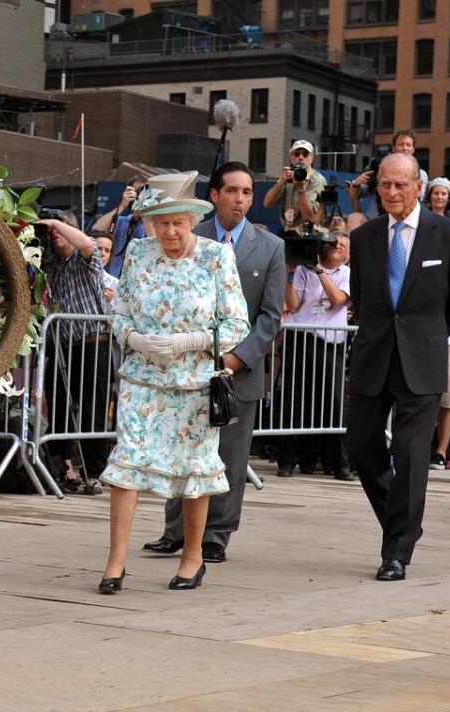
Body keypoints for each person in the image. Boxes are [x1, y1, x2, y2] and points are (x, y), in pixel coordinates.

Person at [98, 171, 250, 593]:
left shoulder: (216, 257)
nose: (169, 231)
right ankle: (115, 564)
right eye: (161, 222)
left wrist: (189, 341)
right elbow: (120, 314)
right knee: (126, 467)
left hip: (195, 384)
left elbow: (237, 324)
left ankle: (193, 557)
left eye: (178, 222)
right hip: (141, 380)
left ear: (192, 219)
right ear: (149, 222)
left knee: (193, 471)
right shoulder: (138, 254)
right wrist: (137, 339)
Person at [144, 162, 286, 563]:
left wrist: (237, 358)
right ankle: (175, 531)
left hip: (239, 370)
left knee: (230, 456)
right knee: (181, 449)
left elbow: (270, 316)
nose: (239, 199)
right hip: (189, 366)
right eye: (231, 191)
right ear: (215, 196)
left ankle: (216, 535)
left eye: (246, 193)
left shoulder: (270, 246)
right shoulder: (191, 236)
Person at [347, 153, 450, 582]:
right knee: (362, 446)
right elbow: (362, 299)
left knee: (411, 454)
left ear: (419, 187)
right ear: (376, 186)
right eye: (385, 185)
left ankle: (397, 550)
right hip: (373, 355)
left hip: (421, 357)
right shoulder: (365, 238)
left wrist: (427, 336)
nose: (393, 193)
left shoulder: (449, 235)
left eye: (401, 185)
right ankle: (402, 523)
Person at [39, 214, 112, 488]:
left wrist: (57, 223)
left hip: (94, 342)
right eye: (51, 229)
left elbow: (87, 245)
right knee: (58, 405)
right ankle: (62, 467)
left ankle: (96, 472)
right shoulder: (52, 265)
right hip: (63, 344)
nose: (54, 232)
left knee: (93, 410)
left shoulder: (85, 258)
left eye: (59, 227)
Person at [277, 233, 353, 480]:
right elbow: (293, 305)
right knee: (293, 400)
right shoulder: (302, 270)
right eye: (333, 243)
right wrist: (290, 274)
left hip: (331, 342)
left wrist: (320, 270)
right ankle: (288, 461)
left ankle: (338, 464)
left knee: (331, 404)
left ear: (348, 254)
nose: (337, 247)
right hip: (301, 337)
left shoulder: (347, 274)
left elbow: (339, 299)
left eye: (343, 245)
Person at [348, 129, 429, 216]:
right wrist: (356, 184)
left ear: (413, 149)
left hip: (404, 218)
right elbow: (355, 196)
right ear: (394, 148)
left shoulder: (420, 174)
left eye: (408, 145)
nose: (405, 148)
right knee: (354, 218)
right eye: (401, 144)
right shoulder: (378, 169)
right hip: (376, 219)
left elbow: (416, 200)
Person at [262, 139, 326, 233]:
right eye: (296, 154)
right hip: (288, 230)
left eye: (305, 154)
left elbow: (308, 218)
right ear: (291, 158)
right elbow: (267, 203)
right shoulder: (287, 175)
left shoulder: (317, 179)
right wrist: (281, 182)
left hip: (309, 233)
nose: (300, 157)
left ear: (312, 158)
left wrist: (301, 190)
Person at [96, 176, 147, 278]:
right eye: (136, 191)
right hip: (115, 283)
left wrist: (147, 211)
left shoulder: (151, 224)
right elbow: (96, 229)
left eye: (144, 191)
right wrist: (122, 206)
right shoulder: (123, 222)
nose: (140, 196)